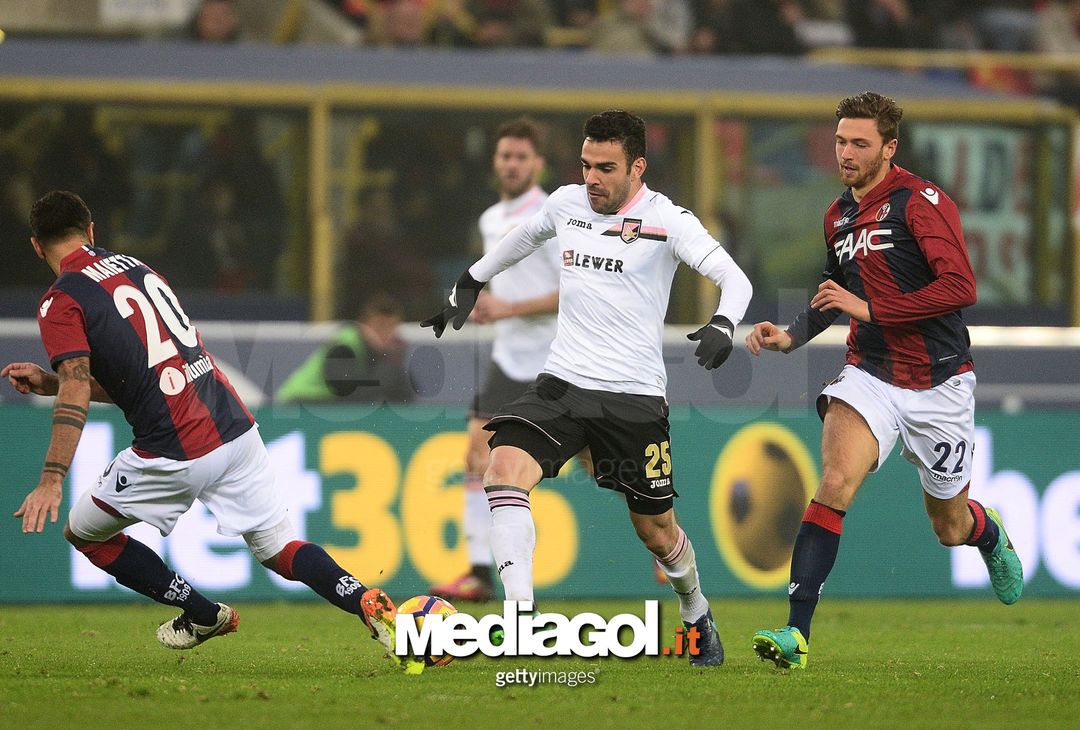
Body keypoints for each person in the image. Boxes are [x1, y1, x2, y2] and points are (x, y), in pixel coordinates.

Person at [4, 191, 405, 668]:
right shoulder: (136, 268)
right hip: (234, 426)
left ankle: (200, 613)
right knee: (280, 548)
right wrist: (51, 383)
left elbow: (78, 385)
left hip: (174, 447)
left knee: (84, 533)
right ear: (92, 232)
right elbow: (139, 379)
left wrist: (51, 479)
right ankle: (362, 600)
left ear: (35, 246)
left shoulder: (61, 300)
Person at [422, 110, 753, 666]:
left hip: (634, 397)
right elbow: (522, 238)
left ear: (637, 168)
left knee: (657, 530)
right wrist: (471, 279)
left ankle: (695, 609)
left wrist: (724, 323)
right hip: (563, 383)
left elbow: (733, 279)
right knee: (501, 470)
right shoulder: (568, 204)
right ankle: (520, 619)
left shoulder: (668, 219)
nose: (591, 178)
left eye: (605, 167)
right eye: (585, 165)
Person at [744, 92, 1024, 671]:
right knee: (835, 480)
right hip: (869, 373)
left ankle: (986, 532)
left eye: (859, 144)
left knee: (949, 526)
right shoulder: (837, 214)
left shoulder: (922, 202)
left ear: (888, 148)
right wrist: (791, 336)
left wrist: (868, 308)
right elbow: (833, 293)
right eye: (840, 141)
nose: (845, 153)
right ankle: (797, 636)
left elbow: (959, 288)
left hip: (940, 381)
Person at [427, 117, 562, 603]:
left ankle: (660, 544)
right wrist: (483, 304)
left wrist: (508, 307)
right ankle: (479, 574)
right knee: (475, 455)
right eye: (505, 155)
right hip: (509, 358)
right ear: (495, 161)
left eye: (521, 156)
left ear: (538, 163)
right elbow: (500, 283)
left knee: (602, 463)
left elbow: (578, 292)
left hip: (556, 359)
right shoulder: (489, 219)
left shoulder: (553, 215)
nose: (511, 164)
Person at [275, 292, 414, 405]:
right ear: (363, 324)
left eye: (391, 328)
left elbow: (404, 395)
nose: (385, 334)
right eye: (379, 326)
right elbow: (346, 392)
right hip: (300, 403)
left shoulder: (384, 353)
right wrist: (388, 372)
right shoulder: (345, 344)